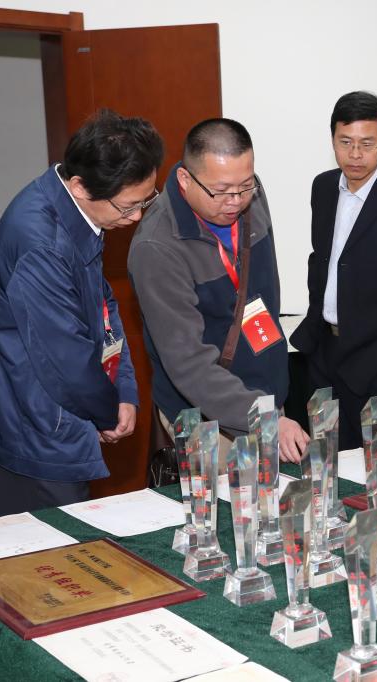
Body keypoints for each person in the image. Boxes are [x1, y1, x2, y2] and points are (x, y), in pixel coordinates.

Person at [0, 110, 160, 516]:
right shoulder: (42, 243)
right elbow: (66, 358)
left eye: (145, 201)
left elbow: (102, 303)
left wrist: (124, 388)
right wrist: (107, 411)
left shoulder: (75, 209)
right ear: (79, 186)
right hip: (32, 429)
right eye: (128, 207)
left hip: (57, 416)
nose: (137, 216)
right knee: (50, 549)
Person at [129, 119, 309, 462]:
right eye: (222, 191)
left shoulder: (251, 194)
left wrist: (270, 409)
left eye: (245, 186)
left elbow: (263, 297)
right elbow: (189, 365)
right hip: (207, 421)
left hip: (266, 404)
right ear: (186, 180)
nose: (236, 201)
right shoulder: (157, 246)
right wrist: (263, 417)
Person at [291, 92, 377, 449]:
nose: (355, 154)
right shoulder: (323, 187)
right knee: (323, 458)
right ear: (332, 139)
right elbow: (324, 259)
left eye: (367, 144)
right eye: (345, 142)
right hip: (323, 352)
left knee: (373, 467)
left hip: (375, 363)